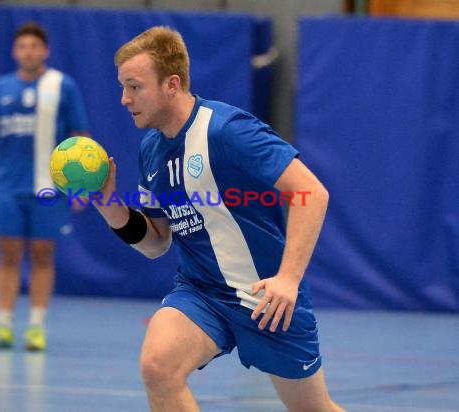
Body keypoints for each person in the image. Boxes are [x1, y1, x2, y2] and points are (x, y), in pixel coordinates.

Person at [92, 26, 344, 411]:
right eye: (123, 87)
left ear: (171, 84)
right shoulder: (151, 149)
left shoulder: (227, 130)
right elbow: (158, 241)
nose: (124, 99)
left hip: (266, 299)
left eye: (134, 86)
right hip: (201, 292)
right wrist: (111, 207)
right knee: (158, 368)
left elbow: (312, 194)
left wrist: (289, 279)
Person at [0, 22, 90, 351]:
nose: (28, 52)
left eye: (34, 46)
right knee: (7, 253)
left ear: (45, 50)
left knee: (43, 254)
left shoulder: (63, 86)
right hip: (9, 188)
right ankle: (3, 326)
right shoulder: (1, 87)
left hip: (49, 190)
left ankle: (36, 327)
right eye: (22, 47)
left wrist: (80, 184)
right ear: (14, 52)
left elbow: (79, 138)